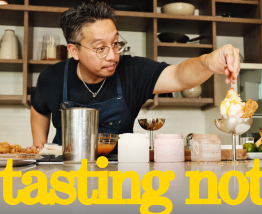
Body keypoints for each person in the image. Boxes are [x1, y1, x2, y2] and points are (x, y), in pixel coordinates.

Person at [29, 1, 241, 152]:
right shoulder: (52, 77)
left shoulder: (132, 71)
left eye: (115, 44)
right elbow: (39, 108)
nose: (113, 56)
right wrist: (39, 145)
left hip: (118, 171)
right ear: (74, 51)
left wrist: (208, 62)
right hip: (64, 172)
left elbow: (178, 76)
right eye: (100, 48)